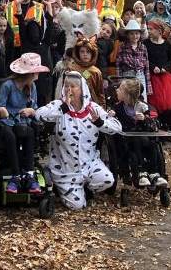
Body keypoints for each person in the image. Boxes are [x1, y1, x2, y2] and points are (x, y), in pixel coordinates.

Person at [34, 71, 121, 210]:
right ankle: (64, 188)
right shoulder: (58, 105)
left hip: (90, 163)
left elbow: (116, 127)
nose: (69, 90)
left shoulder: (93, 108)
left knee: (107, 180)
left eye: (73, 86)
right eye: (67, 86)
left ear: (82, 89)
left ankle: (86, 186)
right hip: (65, 168)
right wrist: (62, 108)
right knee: (77, 206)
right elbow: (38, 115)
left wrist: (99, 122)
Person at [0, 53, 49, 195]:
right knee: (9, 135)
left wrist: (31, 111)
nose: (37, 74)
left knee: (28, 132)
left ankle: (29, 174)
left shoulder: (32, 87)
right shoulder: (8, 86)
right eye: (36, 71)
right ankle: (15, 176)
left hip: (23, 123)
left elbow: (34, 108)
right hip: (7, 122)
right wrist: (1, 111)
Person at [110, 78, 167, 189]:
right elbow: (112, 124)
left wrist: (145, 119)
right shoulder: (117, 108)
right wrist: (111, 115)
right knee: (136, 142)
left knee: (153, 144)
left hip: (144, 137)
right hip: (126, 140)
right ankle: (141, 172)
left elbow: (154, 125)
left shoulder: (143, 107)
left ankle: (155, 173)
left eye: (120, 89)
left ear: (127, 94)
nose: (117, 90)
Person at [115, 19, 150, 99]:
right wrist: (119, 82)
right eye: (132, 34)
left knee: (142, 100)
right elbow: (118, 65)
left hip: (140, 76)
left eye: (137, 33)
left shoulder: (143, 47)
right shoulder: (123, 47)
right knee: (128, 100)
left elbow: (146, 67)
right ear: (127, 35)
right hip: (127, 77)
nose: (135, 36)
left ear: (140, 34)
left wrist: (148, 85)